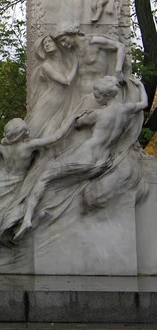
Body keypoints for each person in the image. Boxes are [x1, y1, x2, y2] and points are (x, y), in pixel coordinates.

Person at [12, 76, 148, 241]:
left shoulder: (98, 114)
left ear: (107, 96)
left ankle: (27, 219)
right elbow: (144, 104)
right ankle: (45, 213)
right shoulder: (125, 110)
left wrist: (78, 116)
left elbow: (77, 124)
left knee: (44, 177)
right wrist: (140, 85)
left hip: (86, 155)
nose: (96, 99)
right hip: (103, 161)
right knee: (65, 184)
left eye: (97, 96)